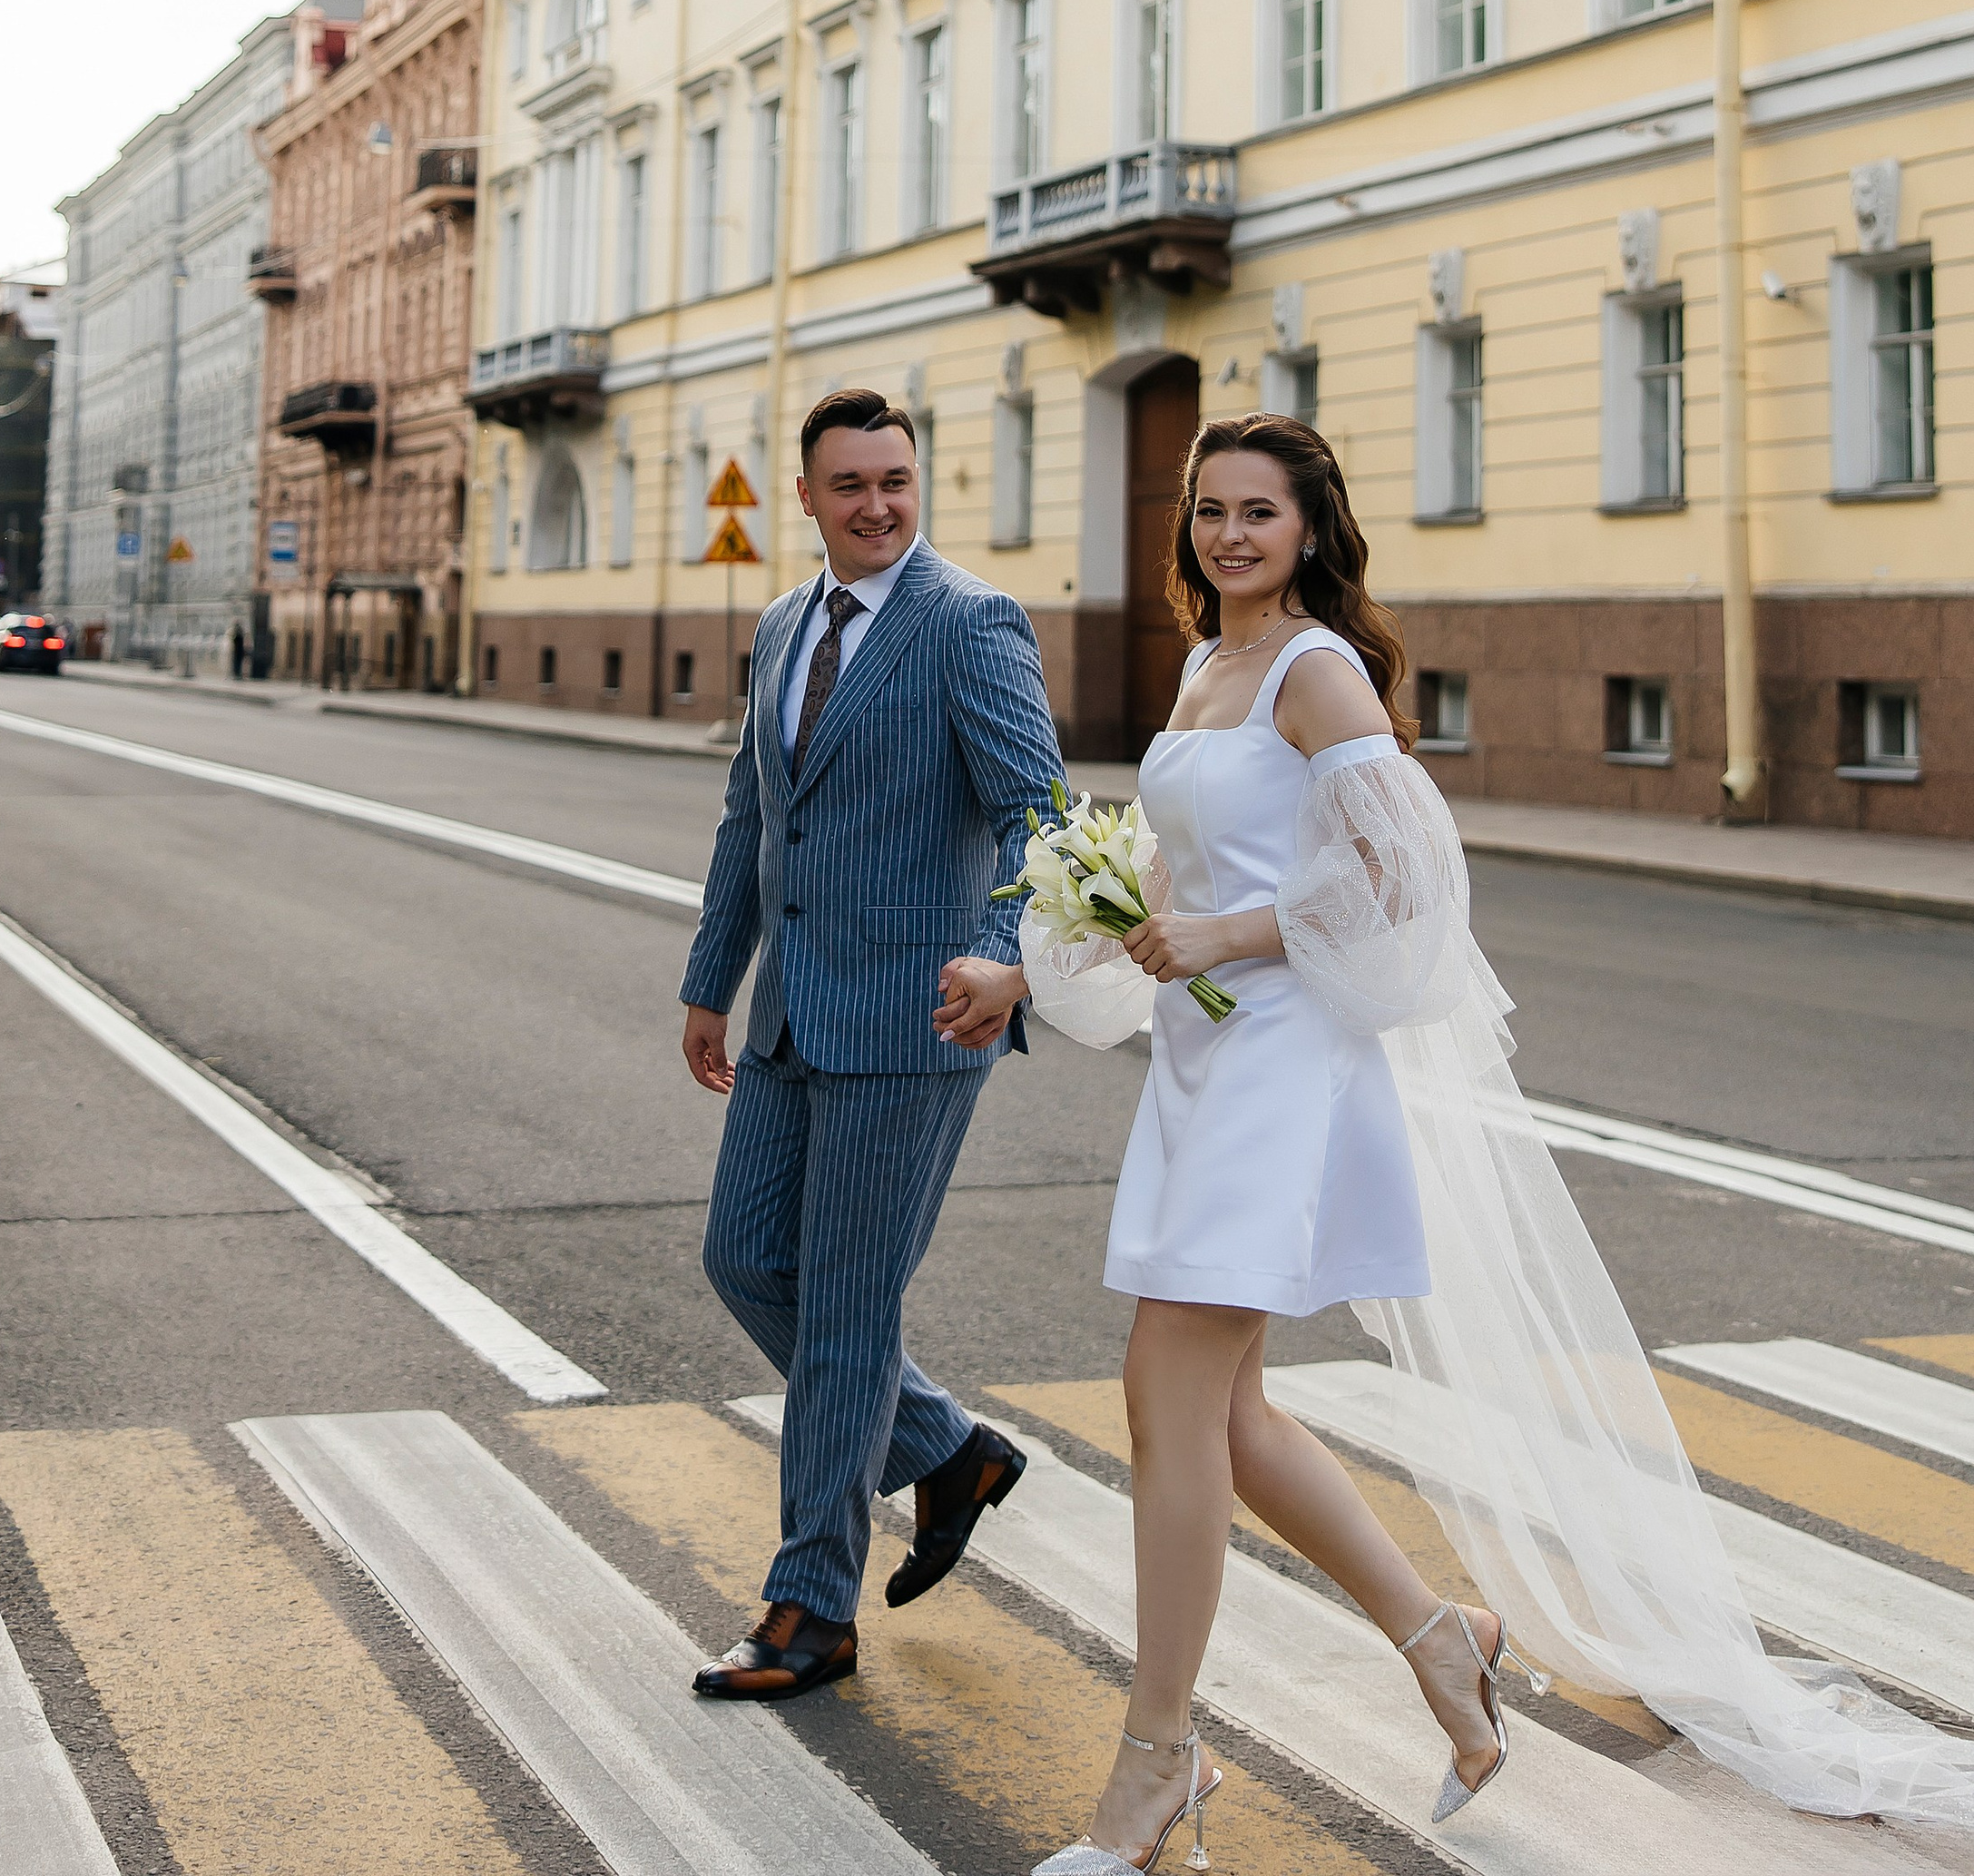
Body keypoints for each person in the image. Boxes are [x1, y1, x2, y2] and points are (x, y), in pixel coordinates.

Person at [1028, 411, 1974, 1871]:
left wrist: (1233, 930)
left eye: (1259, 514)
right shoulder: (1209, 666)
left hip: (1285, 1061)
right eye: (1209, 511)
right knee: (1229, 1418)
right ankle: (1443, 1637)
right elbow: (1184, 861)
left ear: (1311, 531)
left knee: (1170, 1405)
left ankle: (1155, 1768)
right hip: (1209, 1060)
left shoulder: (1313, 669)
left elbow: (1411, 883)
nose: (1228, 535)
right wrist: (1058, 951)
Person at [680, 385, 1065, 1702]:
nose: (879, 504)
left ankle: (811, 1608)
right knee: (742, 1260)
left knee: (845, 1315)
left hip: (917, 1021)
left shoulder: (970, 625)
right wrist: (709, 980)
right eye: (851, 485)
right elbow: (751, 815)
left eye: (896, 479)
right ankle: (948, 1449)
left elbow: (1037, 812)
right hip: (793, 1009)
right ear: (808, 499)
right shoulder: (787, 620)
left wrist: (1011, 960)